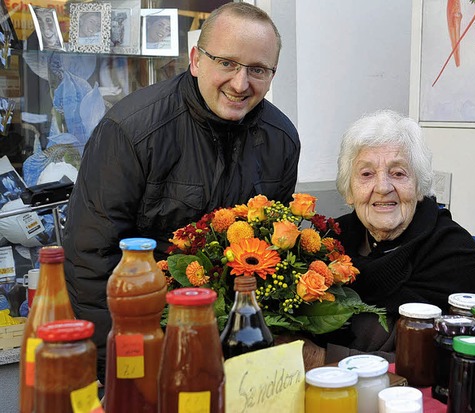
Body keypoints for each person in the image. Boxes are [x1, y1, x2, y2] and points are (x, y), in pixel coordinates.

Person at [63, 2, 300, 382]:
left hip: (235, 348)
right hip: (145, 336)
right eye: (226, 63)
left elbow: (271, 254)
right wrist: (123, 365)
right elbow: (90, 258)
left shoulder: (281, 140)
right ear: (195, 60)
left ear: (273, 74)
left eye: (257, 69)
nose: (241, 84)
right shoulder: (132, 131)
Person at [319, 110, 475, 364]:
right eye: (366, 174)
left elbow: (442, 358)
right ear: (349, 191)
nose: (383, 187)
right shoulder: (330, 243)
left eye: (398, 173)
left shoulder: (455, 252)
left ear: (419, 187)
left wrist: (320, 358)